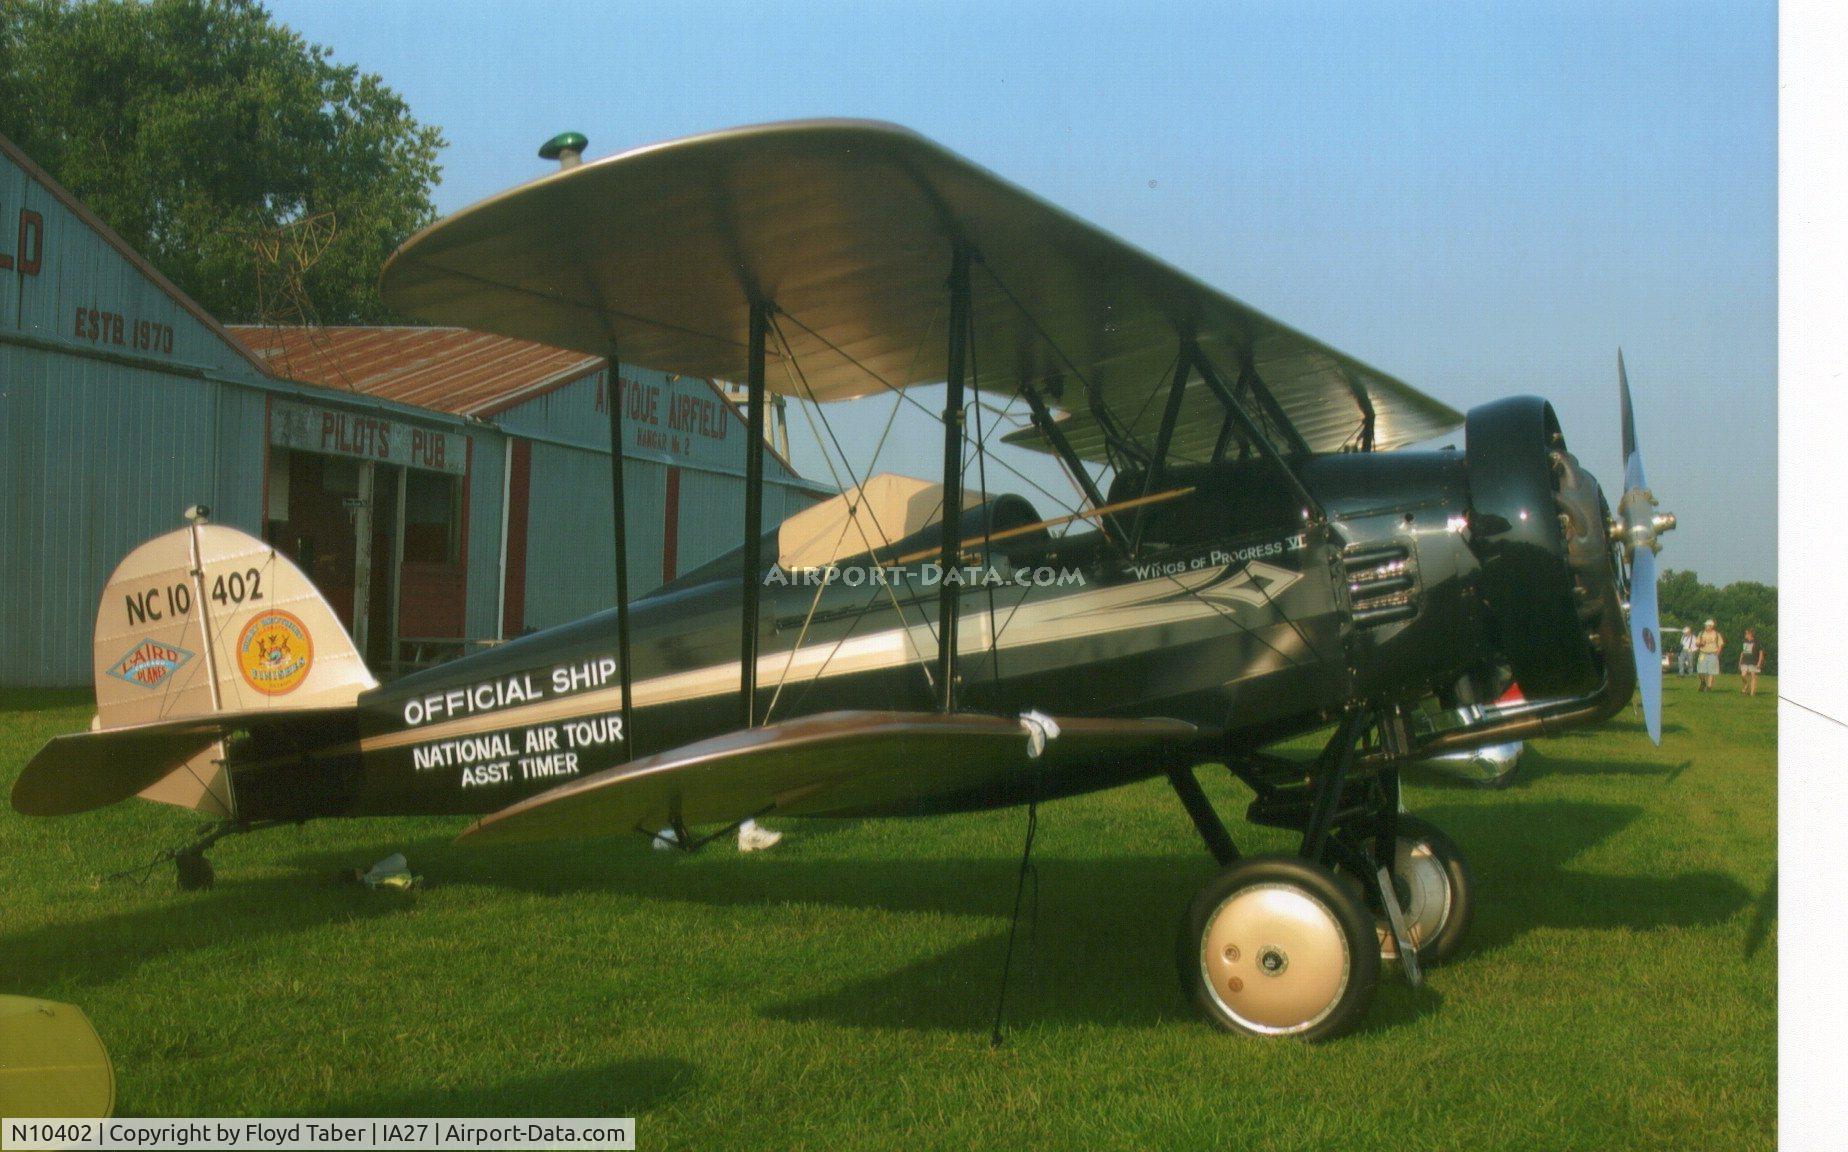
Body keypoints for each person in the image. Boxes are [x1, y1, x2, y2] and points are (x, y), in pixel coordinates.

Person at [1696, 618, 1725, 692]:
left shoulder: (1716, 634)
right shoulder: (1701, 633)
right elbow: (1697, 643)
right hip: (1703, 653)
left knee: (1711, 671)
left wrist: (1717, 653)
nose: (1706, 627)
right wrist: (1700, 644)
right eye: (1705, 625)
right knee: (1700, 671)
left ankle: (1709, 687)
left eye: (1707, 625)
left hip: (1713, 654)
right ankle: (1703, 682)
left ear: (1712, 626)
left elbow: (1720, 644)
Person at [1738, 627, 1767, 696]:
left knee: (1753, 676)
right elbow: (1743, 652)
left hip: (1753, 661)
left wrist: (1759, 662)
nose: (1745, 634)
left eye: (1746, 633)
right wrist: (1740, 661)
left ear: (1750, 634)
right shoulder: (1745, 641)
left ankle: (1752, 693)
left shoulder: (1756, 642)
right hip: (1744, 661)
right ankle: (1746, 685)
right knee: (1743, 675)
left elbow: (1761, 652)